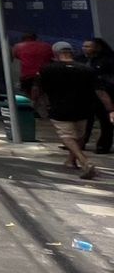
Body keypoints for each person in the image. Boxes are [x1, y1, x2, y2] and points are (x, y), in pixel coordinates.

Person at [33, 42, 110, 179]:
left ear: (55, 54)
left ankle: (84, 161)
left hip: (59, 108)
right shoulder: (86, 69)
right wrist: (110, 109)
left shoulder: (47, 69)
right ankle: (71, 160)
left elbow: (37, 88)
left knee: (67, 137)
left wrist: (36, 101)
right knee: (79, 136)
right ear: (71, 53)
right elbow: (100, 91)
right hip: (83, 108)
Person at [81, 38, 114, 154]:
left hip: (103, 93)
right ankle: (81, 142)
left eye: (88, 46)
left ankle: (103, 145)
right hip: (86, 94)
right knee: (85, 121)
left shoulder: (107, 60)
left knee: (105, 121)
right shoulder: (82, 59)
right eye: (84, 46)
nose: (85, 48)